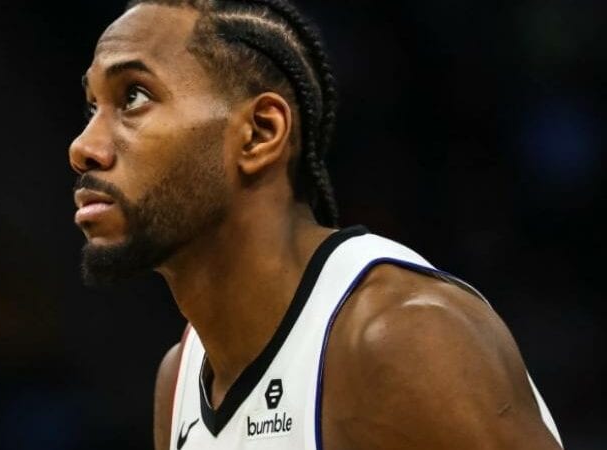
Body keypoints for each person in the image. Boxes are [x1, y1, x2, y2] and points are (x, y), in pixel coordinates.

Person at [68, 1, 563, 449]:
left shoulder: (402, 339)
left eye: (134, 97)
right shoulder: (178, 380)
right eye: (93, 107)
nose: (83, 147)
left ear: (260, 133)